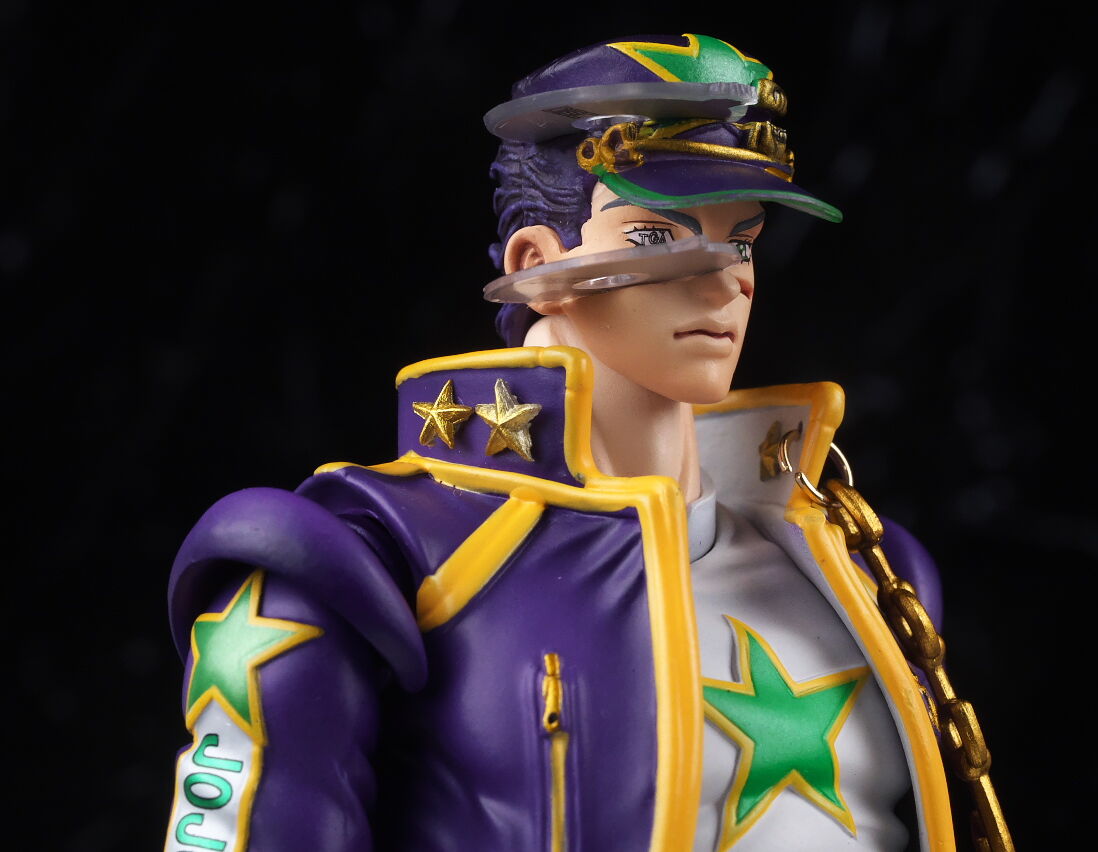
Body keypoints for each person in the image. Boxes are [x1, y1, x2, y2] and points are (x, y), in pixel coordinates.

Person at [164, 34, 1001, 852]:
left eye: (742, 239)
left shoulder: (861, 567)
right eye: (657, 235)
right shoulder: (369, 559)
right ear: (536, 261)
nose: (725, 280)